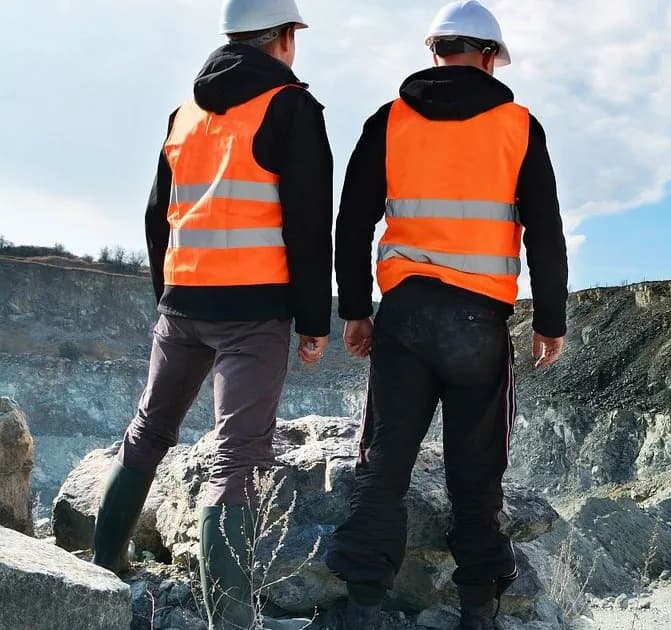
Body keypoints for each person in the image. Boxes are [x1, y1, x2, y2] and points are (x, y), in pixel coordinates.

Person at [320, 1, 569, 628]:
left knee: (383, 465)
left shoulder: (390, 121)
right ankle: (478, 611)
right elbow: (545, 231)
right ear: (489, 57)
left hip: (403, 315)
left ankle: (363, 609)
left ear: (434, 51)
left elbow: (351, 223)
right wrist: (551, 320)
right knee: (477, 473)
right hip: (478, 324)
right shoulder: (519, 125)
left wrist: (355, 309)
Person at [89, 1, 333, 628]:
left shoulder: (185, 113)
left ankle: (100, 571)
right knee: (237, 457)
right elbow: (309, 225)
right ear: (283, 38)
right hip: (253, 312)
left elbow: (155, 216)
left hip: (183, 304)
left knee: (147, 431)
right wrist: (313, 320)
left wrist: (167, 296)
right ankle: (229, 620)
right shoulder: (292, 108)